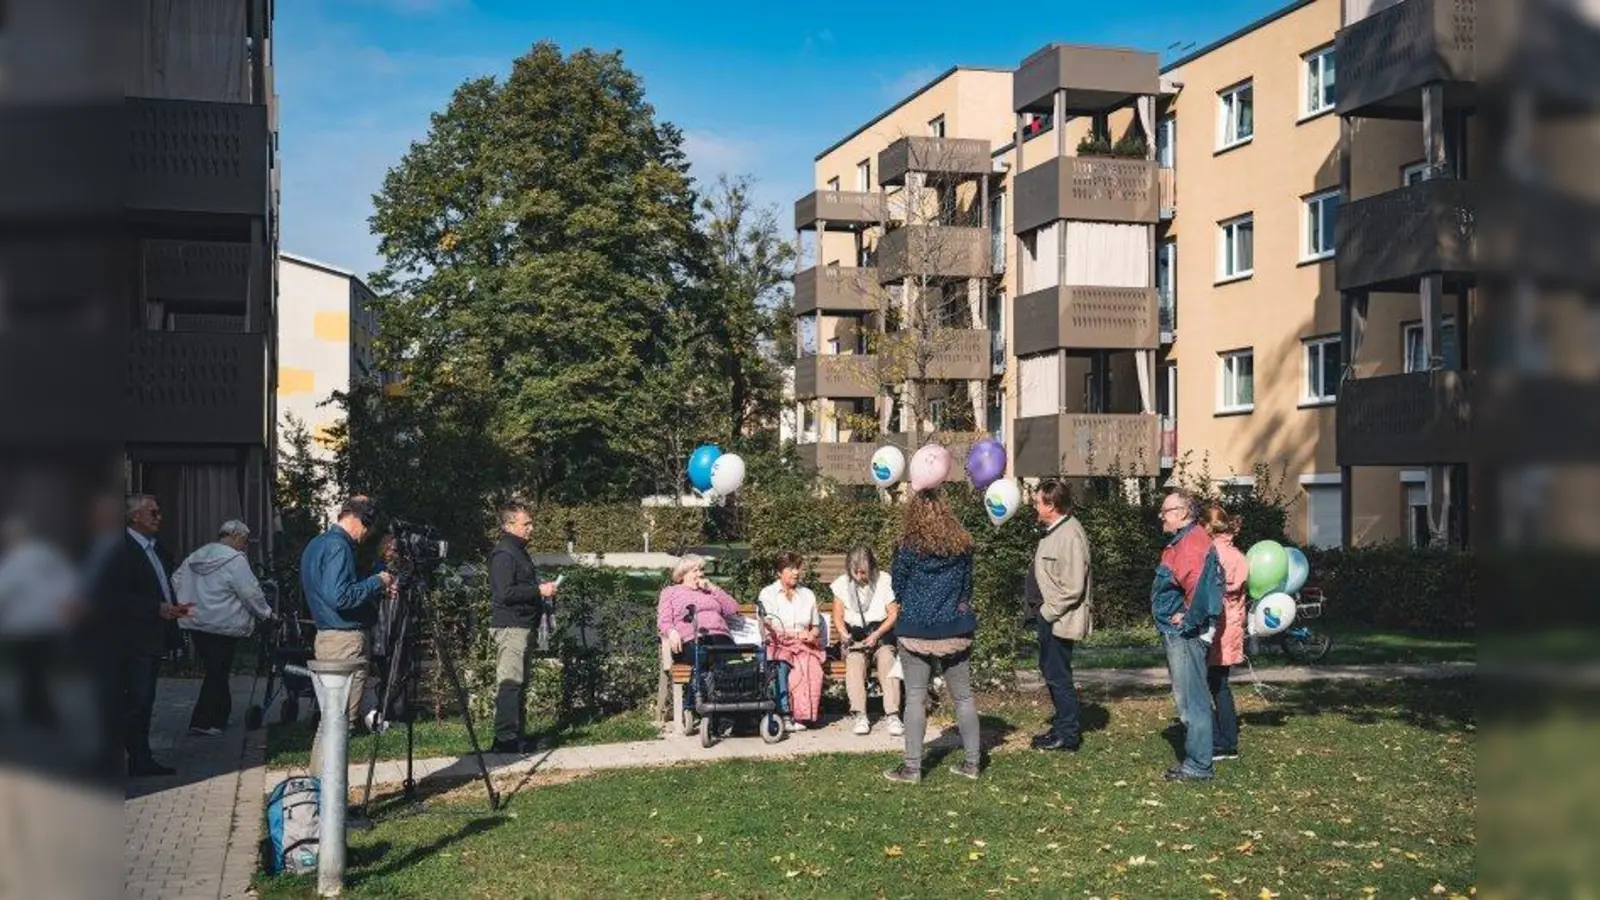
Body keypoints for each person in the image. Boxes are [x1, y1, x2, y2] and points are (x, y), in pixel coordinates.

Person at [885, 488, 981, 783]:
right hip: (955, 626)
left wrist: (911, 603)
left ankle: (913, 768)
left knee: (914, 697)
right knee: (963, 698)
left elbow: (897, 586)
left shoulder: (907, 547)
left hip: (915, 627)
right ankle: (973, 764)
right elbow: (967, 587)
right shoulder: (963, 546)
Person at [102, 494, 191, 776]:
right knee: (137, 700)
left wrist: (171, 608)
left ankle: (140, 757)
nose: (159, 517)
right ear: (134, 516)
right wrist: (157, 607)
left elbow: (161, 584)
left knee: (145, 700)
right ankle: (137, 757)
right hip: (130, 639)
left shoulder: (155, 548)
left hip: (152, 636)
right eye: (153, 512)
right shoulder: (121, 549)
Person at [302, 496, 393, 773]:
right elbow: (340, 596)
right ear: (359, 520)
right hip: (344, 642)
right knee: (340, 723)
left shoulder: (317, 544)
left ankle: (320, 794)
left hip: (329, 637)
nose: (366, 535)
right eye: (368, 528)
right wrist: (377, 582)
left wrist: (371, 586)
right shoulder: (339, 547)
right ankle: (328, 803)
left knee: (331, 722)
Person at [1151, 489, 1226, 782]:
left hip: (1184, 635)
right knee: (1190, 698)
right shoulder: (1187, 540)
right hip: (1181, 632)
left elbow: (1199, 587)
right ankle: (1197, 761)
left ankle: (1198, 765)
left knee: (1191, 700)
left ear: (1182, 513)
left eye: (1166, 511)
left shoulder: (1191, 543)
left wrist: (1187, 618)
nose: (1162, 517)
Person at [172, 519, 273, 736]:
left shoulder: (196, 556)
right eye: (245, 541)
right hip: (224, 624)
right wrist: (266, 614)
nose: (245, 547)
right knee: (217, 671)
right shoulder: (235, 560)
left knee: (215, 670)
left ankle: (220, 715)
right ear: (235, 536)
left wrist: (188, 606)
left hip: (196, 623)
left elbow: (176, 580)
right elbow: (250, 592)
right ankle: (203, 720)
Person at [1025, 479, 1093, 753]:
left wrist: (1047, 612)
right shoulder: (1054, 531)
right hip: (1051, 618)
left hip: (1058, 619)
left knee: (1058, 675)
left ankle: (1068, 734)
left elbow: (1074, 586)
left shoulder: (1070, 535)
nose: (1034, 506)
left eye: (1037, 501)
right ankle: (1061, 727)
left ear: (1051, 505)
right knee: (1051, 673)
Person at [488, 503, 559, 754]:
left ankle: (517, 735)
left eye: (530, 522)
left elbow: (520, 586)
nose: (531, 527)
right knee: (510, 682)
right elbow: (505, 593)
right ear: (509, 526)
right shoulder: (504, 554)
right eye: (525, 524)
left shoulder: (518, 551)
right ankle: (505, 739)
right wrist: (539, 590)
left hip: (523, 625)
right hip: (511, 626)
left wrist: (539, 589)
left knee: (520, 682)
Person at [829, 545, 903, 737]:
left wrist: (876, 634)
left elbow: (893, 614)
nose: (860, 575)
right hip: (856, 637)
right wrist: (844, 634)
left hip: (881, 635)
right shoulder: (842, 584)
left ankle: (893, 715)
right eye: (856, 571)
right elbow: (837, 616)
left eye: (863, 571)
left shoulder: (884, 580)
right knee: (854, 662)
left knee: (888, 660)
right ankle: (860, 715)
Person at [1202, 504, 1249, 761]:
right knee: (1220, 684)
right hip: (1231, 627)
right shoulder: (1237, 555)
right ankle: (1227, 739)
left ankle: (1220, 740)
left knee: (1207, 684)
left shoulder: (1211, 553)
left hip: (1217, 627)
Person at [758, 552, 824, 732]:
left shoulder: (807, 594)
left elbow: (816, 627)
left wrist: (811, 634)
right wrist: (785, 633)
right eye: (790, 569)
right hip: (778, 643)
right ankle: (785, 713)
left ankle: (803, 715)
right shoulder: (768, 593)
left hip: (803, 645)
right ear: (779, 572)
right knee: (781, 664)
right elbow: (767, 623)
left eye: (797, 568)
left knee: (811, 666)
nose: (795, 573)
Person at [658, 554, 739, 657]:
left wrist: (712, 587)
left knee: (730, 660)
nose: (700, 574)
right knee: (706, 657)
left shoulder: (709, 591)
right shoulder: (670, 592)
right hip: (691, 638)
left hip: (720, 636)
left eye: (701, 570)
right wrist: (671, 632)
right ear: (683, 573)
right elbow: (664, 620)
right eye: (695, 571)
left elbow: (733, 609)